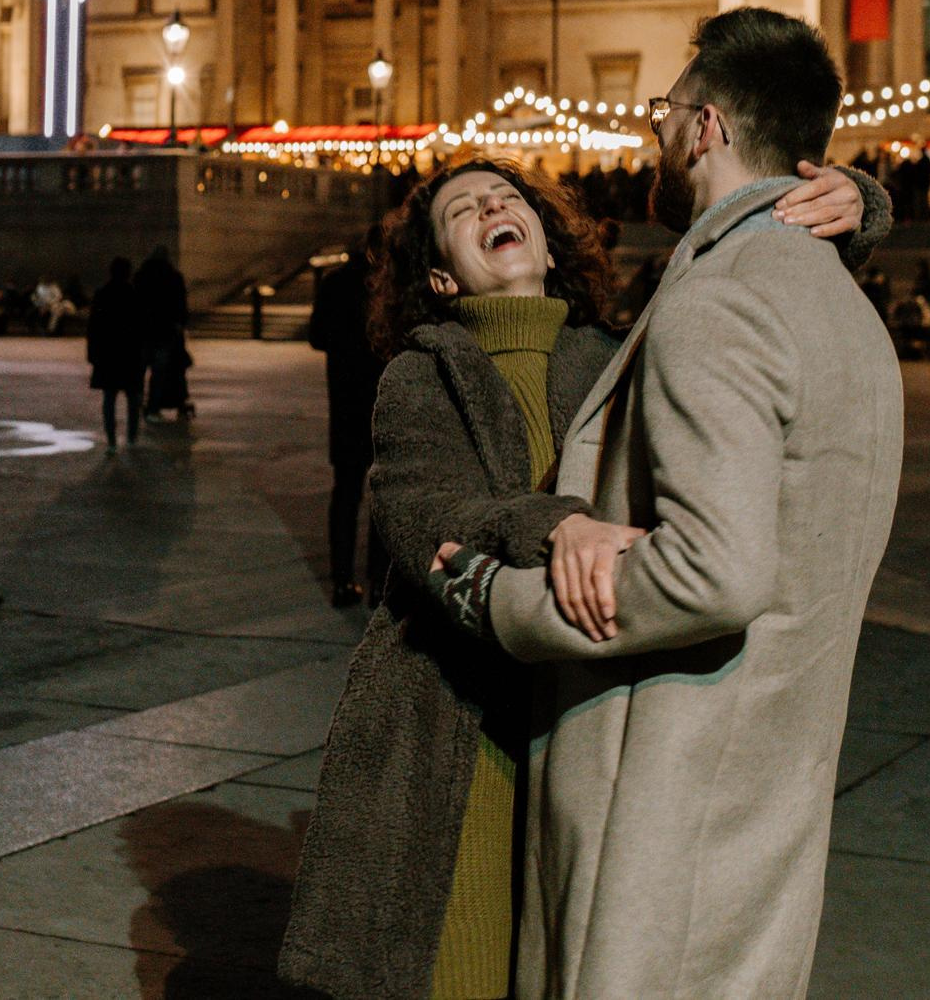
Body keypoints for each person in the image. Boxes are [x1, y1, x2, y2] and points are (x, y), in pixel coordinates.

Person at [280, 122, 883, 1000]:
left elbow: (748, 290)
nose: (492, 205)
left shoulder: (613, 352)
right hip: (458, 735)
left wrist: (859, 205)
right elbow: (427, 512)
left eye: (506, 197)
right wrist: (558, 525)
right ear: (442, 277)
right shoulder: (423, 373)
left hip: (580, 721)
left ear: (548, 240)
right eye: (462, 210)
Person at [412, 7, 900, 1000]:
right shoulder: (847, 310)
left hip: (662, 808)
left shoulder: (720, 300)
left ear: (706, 127)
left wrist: (504, 602)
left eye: (664, 112)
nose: (654, 133)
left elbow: (714, 574)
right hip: (766, 794)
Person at [307, 225, 386, 608]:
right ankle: (378, 581)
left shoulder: (333, 283)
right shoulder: (385, 285)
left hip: (344, 402)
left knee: (345, 493)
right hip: (381, 400)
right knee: (382, 496)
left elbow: (316, 337)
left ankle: (342, 580)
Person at [84, 257, 144, 451]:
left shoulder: (103, 293)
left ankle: (111, 439)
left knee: (109, 398)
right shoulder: (134, 294)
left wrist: (92, 352)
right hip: (130, 354)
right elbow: (142, 326)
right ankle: (131, 437)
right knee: (133, 398)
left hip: (108, 353)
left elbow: (93, 326)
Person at [137, 246, 193, 421]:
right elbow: (180, 304)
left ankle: (137, 403)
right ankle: (153, 408)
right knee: (158, 373)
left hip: (144, 331)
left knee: (140, 371)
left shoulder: (141, 276)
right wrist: (180, 324)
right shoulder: (173, 277)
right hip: (165, 332)